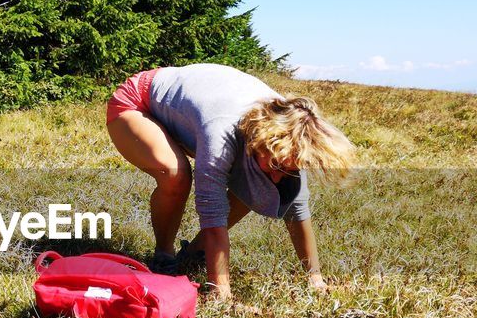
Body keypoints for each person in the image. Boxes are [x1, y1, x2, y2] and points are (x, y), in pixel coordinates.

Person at [105, 63, 355, 300]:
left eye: (287, 169)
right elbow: (213, 217)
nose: (280, 175)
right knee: (175, 175)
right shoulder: (221, 133)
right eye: (277, 166)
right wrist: (222, 294)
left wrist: (315, 278)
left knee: (258, 184)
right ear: (261, 140)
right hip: (138, 102)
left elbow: (297, 209)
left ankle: (193, 255)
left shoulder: (289, 136)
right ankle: (164, 257)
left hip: (194, 112)